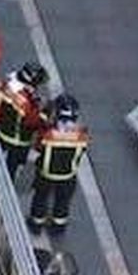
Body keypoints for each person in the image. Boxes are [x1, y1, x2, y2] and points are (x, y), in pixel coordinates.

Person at [28, 95, 89, 237]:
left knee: (40, 198)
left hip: (46, 174)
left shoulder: (49, 134)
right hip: (68, 175)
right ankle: (58, 227)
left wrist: (45, 117)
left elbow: (37, 146)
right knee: (62, 201)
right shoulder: (81, 135)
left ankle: (36, 224)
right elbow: (82, 150)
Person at [0, 62, 47, 180]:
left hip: (1, 132)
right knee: (11, 171)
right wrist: (44, 114)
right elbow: (33, 122)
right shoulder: (25, 100)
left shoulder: (9, 84)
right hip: (18, 141)